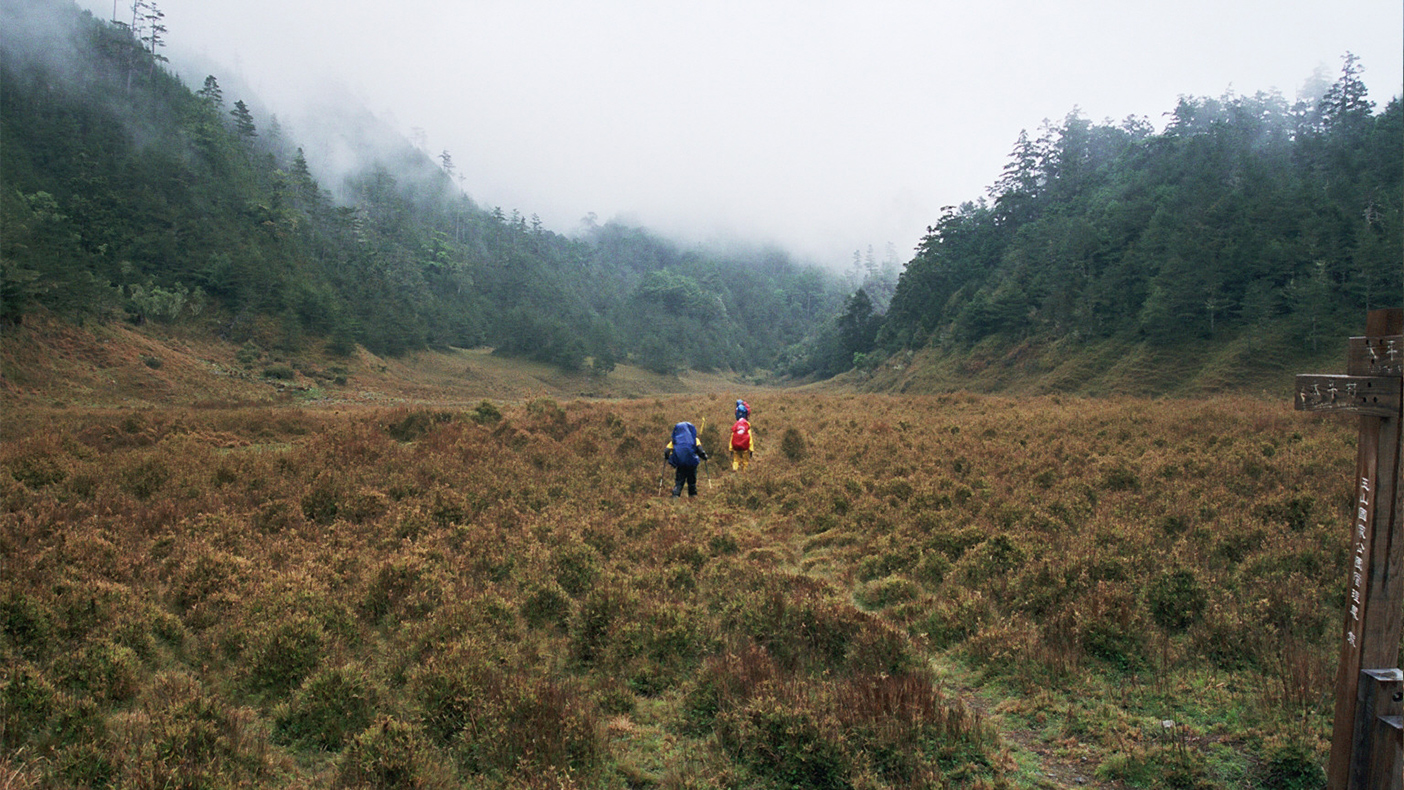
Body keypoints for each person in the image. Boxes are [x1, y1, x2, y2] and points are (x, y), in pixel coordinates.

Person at [664, 421, 708, 497]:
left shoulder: (675, 440)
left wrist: (668, 458)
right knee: (691, 481)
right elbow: (700, 451)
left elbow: (666, 451)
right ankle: (693, 495)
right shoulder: (695, 439)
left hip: (680, 464)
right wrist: (704, 457)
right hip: (692, 463)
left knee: (679, 481)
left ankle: (676, 495)